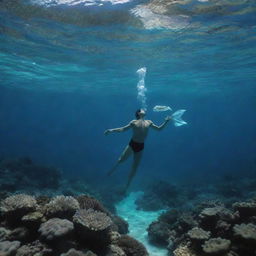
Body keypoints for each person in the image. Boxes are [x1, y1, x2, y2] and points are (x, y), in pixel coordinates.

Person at [104, 109, 171, 192]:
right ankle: (112, 170)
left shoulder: (149, 122)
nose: (144, 110)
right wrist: (111, 130)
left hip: (140, 146)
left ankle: (127, 185)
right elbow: (123, 129)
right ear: (139, 113)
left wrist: (166, 122)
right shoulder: (134, 122)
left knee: (135, 167)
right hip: (132, 144)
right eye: (142, 110)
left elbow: (159, 129)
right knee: (121, 159)